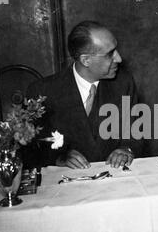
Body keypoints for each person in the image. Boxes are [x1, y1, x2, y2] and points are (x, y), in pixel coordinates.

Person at [26, 21, 141, 169]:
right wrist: (60, 158)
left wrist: (126, 150)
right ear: (86, 60)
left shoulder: (123, 83)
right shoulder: (42, 91)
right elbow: (31, 148)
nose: (119, 59)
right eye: (110, 54)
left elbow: (134, 132)